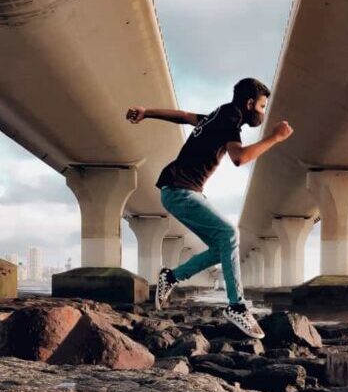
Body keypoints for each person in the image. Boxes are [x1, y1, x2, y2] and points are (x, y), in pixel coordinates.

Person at [125, 78, 293, 338]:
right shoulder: (230, 118)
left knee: (223, 246)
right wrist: (275, 138)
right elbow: (240, 158)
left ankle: (171, 277)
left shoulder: (217, 116)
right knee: (230, 234)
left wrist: (148, 113)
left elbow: (183, 116)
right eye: (262, 106)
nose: (263, 112)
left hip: (183, 191)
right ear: (249, 103)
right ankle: (237, 306)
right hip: (179, 191)